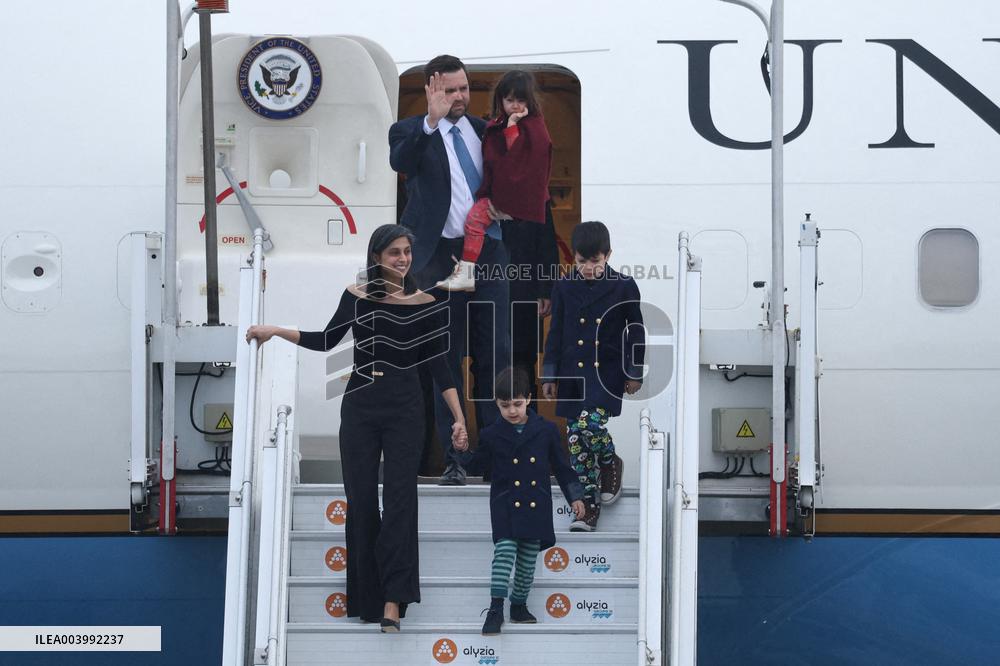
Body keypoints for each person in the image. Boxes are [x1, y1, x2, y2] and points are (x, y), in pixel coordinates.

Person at [245, 225, 468, 632]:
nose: (402, 259)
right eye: (393, 253)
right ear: (377, 257)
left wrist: (458, 418)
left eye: (406, 252)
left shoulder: (425, 303)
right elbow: (327, 340)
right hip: (360, 410)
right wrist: (275, 330)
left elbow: (441, 367)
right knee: (362, 502)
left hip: (406, 413)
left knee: (400, 501)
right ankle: (367, 598)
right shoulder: (356, 295)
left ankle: (393, 600)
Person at [389, 55, 511, 486]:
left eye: (463, 89)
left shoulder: (485, 130)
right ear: (432, 90)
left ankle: (497, 457)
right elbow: (401, 162)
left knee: (494, 355)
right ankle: (455, 458)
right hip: (438, 258)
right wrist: (430, 122)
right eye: (449, 90)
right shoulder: (409, 130)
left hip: (490, 254)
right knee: (444, 358)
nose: (459, 97)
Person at [454, 367, 584, 635]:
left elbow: (561, 467)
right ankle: (495, 608)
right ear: (497, 405)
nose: (512, 411)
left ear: (528, 398)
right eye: (505, 405)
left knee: (526, 562)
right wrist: (462, 449)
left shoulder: (546, 430)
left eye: (517, 403)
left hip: (535, 503)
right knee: (504, 552)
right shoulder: (491, 434)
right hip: (505, 504)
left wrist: (575, 496)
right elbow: (476, 465)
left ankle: (519, 605)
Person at [541, 221, 645, 531]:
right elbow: (555, 332)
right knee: (575, 440)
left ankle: (611, 460)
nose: (588, 268)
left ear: (608, 255)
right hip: (572, 373)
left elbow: (635, 332)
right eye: (582, 261)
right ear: (573, 257)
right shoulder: (563, 286)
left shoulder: (624, 286)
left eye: (595, 261)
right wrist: (550, 374)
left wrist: (634, 371)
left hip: (607, 373)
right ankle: (586, 507)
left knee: (588, 425)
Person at [436, 69, 553, 293]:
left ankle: (466, 272)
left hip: (509, 201)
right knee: (475, 223)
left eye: (521, 100)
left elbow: (518, 159)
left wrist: (511, 127)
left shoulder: (525, 127)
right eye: (510, 100)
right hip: (508, 202)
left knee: (473, 222)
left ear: (530, 100)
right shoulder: (498, 126)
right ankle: (466, 272)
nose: (516, 106)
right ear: (501, 100)